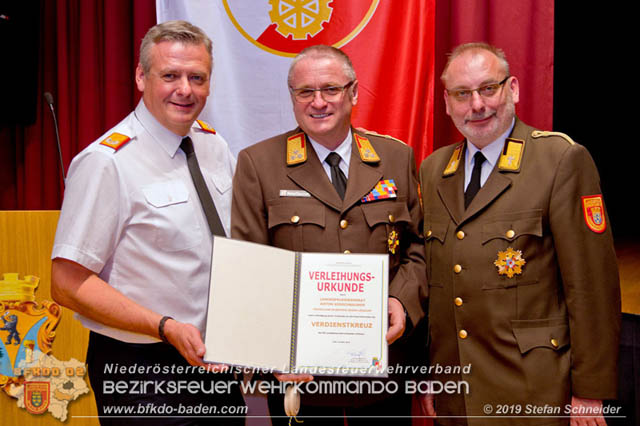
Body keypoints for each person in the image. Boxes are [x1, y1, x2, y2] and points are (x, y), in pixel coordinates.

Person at [51, 20, 245, 425]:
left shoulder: (213, 144)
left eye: (197, 77)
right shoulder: (106, 162)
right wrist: (164, 326)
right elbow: (67, 283)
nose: (185, 89)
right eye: (170, 75)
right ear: (141, 77)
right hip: (142, 369)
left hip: (215, 361)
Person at [419, 42, 621, 426]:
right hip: (456, 390)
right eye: (463, 94)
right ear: (447, 103)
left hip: (534, 389)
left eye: (488, 89)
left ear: (512, 89)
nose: (477, 105)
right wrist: (431, 372)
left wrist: (590, 391)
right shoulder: (433, 170)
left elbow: (591, 287)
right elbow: (439, 290)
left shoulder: (559, 159)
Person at [231, 45, 428, 425]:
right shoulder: (259, 164)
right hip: (302, 380)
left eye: (330, 89)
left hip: (381, 371)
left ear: (353, 92)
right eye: (305, 92)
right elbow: (249, 268)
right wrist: (272, 351)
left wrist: (400, 300)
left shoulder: (395, 158)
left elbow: (417, 247)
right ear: (292, 98)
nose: (318, 102)